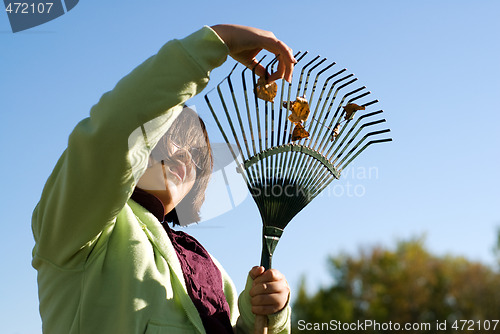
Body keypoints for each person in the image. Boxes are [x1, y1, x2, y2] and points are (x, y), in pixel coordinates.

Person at [31, 24, 296, 334]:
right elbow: (114, 130)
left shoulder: (209, 268)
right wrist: (219, 42)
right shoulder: (84, 227)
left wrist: (265, 316)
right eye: (168, 139)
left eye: (196, 156)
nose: (181, 156)